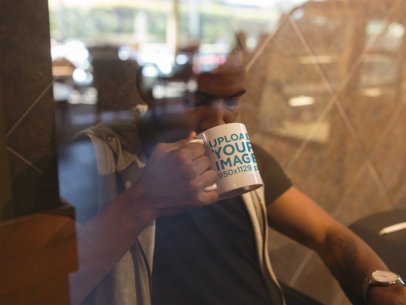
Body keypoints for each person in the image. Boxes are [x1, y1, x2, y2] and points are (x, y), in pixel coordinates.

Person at [65, 48, 406, 305]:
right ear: (149, 88)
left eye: (231, 100)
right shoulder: (98, 159)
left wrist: (385, 287)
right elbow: (63, 286)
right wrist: (144, 201)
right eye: (195, 100)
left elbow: (327, 234)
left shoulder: (241, 154)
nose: (218, 122)